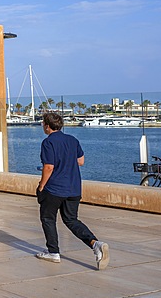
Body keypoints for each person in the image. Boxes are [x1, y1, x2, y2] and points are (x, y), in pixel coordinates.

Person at [35, 112, 109, 270]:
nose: (43, 126)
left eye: (43, 123)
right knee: (71, 220)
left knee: (48, 219)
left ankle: (53, 252)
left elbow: (49, 167)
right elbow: (81, 161)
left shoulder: (48, 143)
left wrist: (41, 185)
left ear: (47, 126)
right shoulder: (72, 140)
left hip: (55, 188)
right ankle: (95, 244)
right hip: (73, 188)